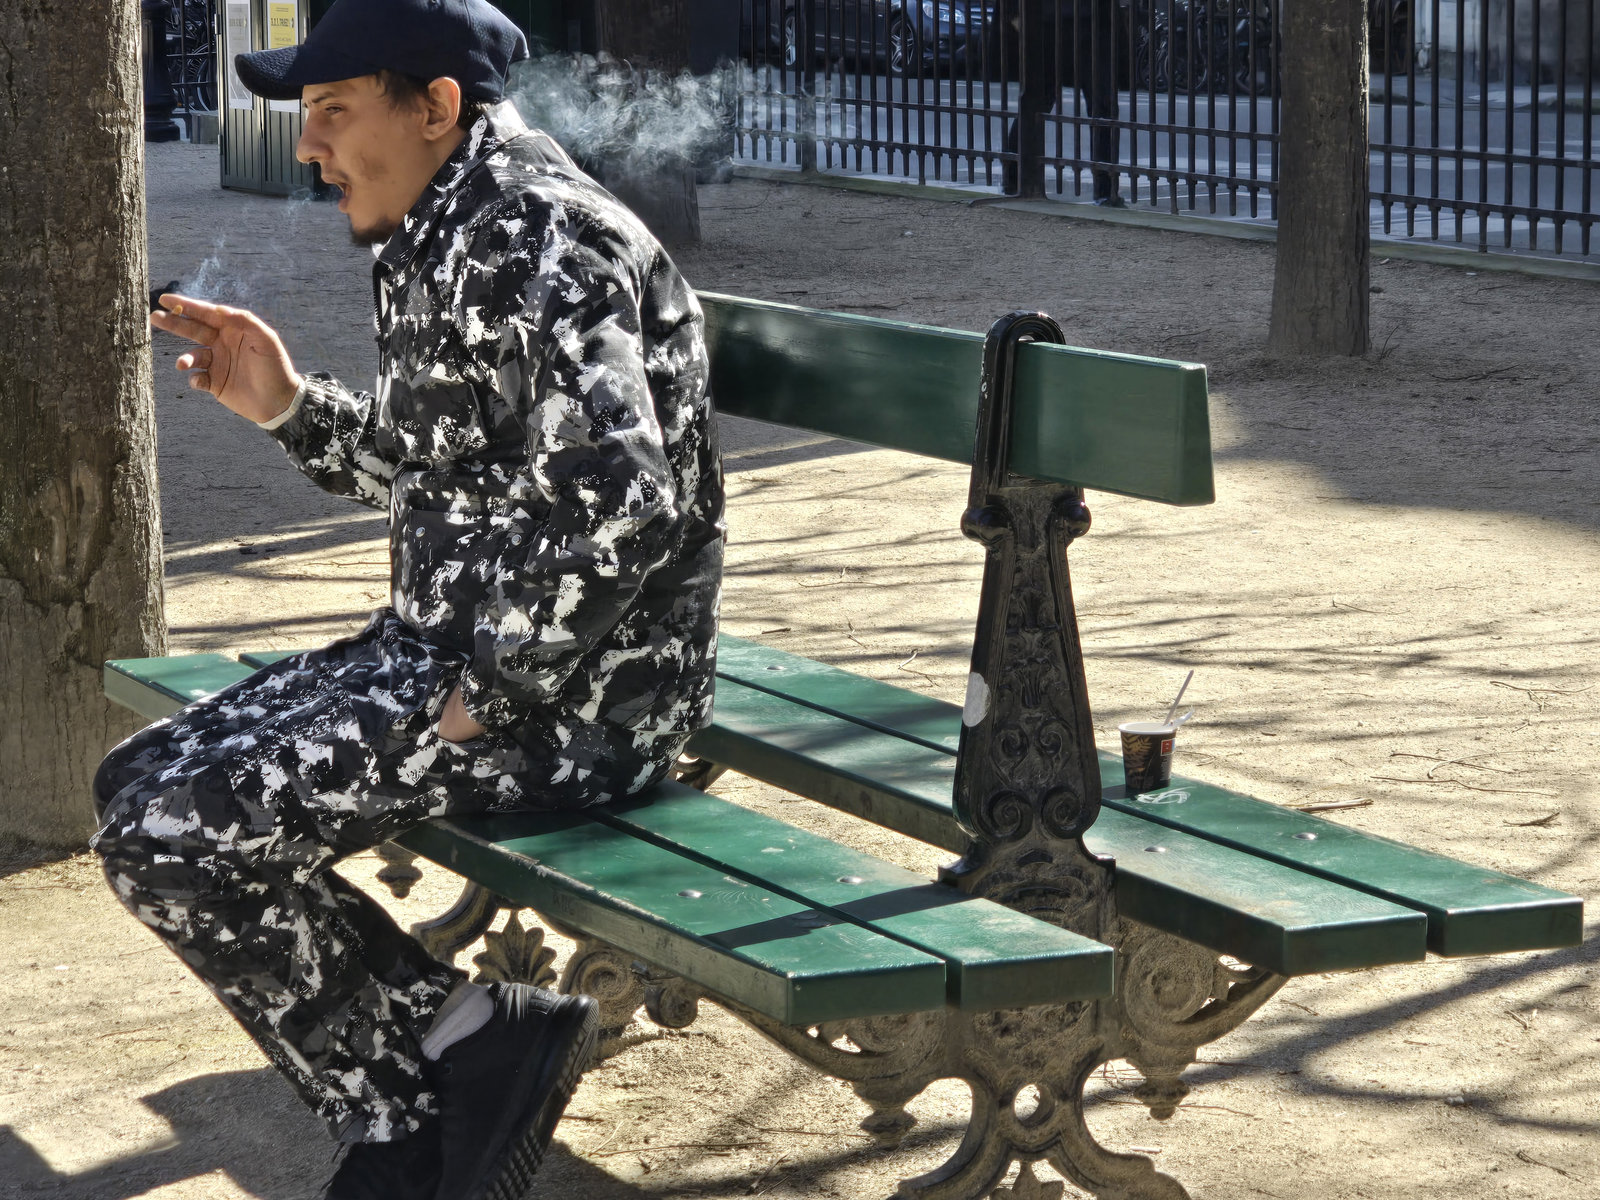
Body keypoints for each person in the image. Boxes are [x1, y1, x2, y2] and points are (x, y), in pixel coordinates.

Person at [90, 1, 725, 1197]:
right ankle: (453, 1053)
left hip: (574, 706)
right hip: (448, 657)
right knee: (135, 783)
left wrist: (492, 692)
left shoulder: (545, 238)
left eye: (334, 111)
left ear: (436, 107)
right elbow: (443, 473)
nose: (309, 145)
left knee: (169, 835)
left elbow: (620, 504)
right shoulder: (445, 230)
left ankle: (406, 1110)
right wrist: (288, 405)